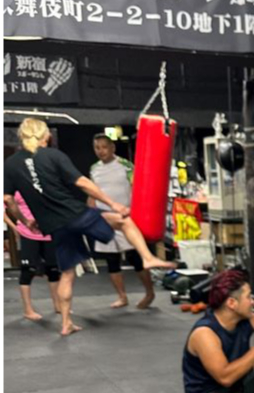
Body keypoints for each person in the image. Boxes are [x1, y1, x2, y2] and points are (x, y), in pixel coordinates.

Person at [3, 118, 175, 336]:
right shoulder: (53, 155)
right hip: (75, 214)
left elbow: (7, 199)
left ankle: (66, 323)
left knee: (67, 274)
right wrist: (113, 204)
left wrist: (26, 221)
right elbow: (82, 183)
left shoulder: (10, 164)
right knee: (123, 221)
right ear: (46, 136)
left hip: (55, 226)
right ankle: (148, 258)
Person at [182, 269, 254, 393]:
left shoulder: (245, 318)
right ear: (232, 303)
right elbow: (225, 378)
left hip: (240, 392)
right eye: (248, 297)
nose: (253, 302)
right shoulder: (205, 333)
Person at [88, 133, 155, 309]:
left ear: (112, 148)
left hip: (126, 218)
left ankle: (149, 293)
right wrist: (90, 214)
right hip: (105, 218)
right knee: (112, 260)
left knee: (135, 257)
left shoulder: (126, 166)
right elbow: (92, 193)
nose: (101, 151)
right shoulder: (94, 169)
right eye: (97, 148)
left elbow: (138, 189)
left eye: (104, 147)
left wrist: (137, 212)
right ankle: (122, 296)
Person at [5, 193, 62, 321]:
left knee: (53, 270)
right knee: (28, 271)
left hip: (48, 232)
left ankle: (58, 305)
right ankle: (28, 310)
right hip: (28, 233)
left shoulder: (44, 186)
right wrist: (14, 228)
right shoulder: (17, 189)